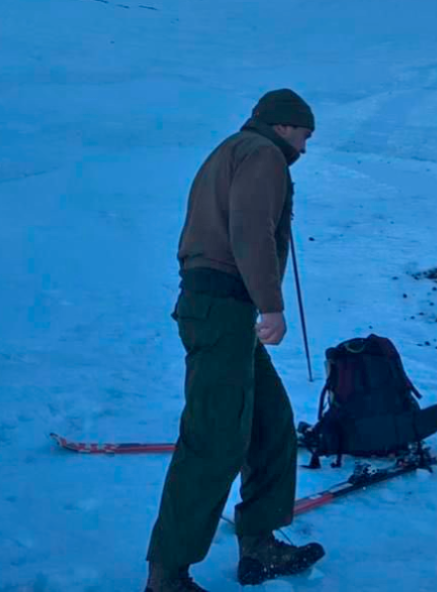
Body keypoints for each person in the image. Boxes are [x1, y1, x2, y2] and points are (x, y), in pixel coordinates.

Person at [144, 89, 325, 592]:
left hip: (221, 308)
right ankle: (168, 575)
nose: (305, 149)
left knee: (271, 423)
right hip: (223, 306)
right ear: (285, 125)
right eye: (305, 135)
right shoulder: (263, 154)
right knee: (215, 439)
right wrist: (271, 304)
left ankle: (260, 543)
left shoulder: (232, 151)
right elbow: (250, 230)